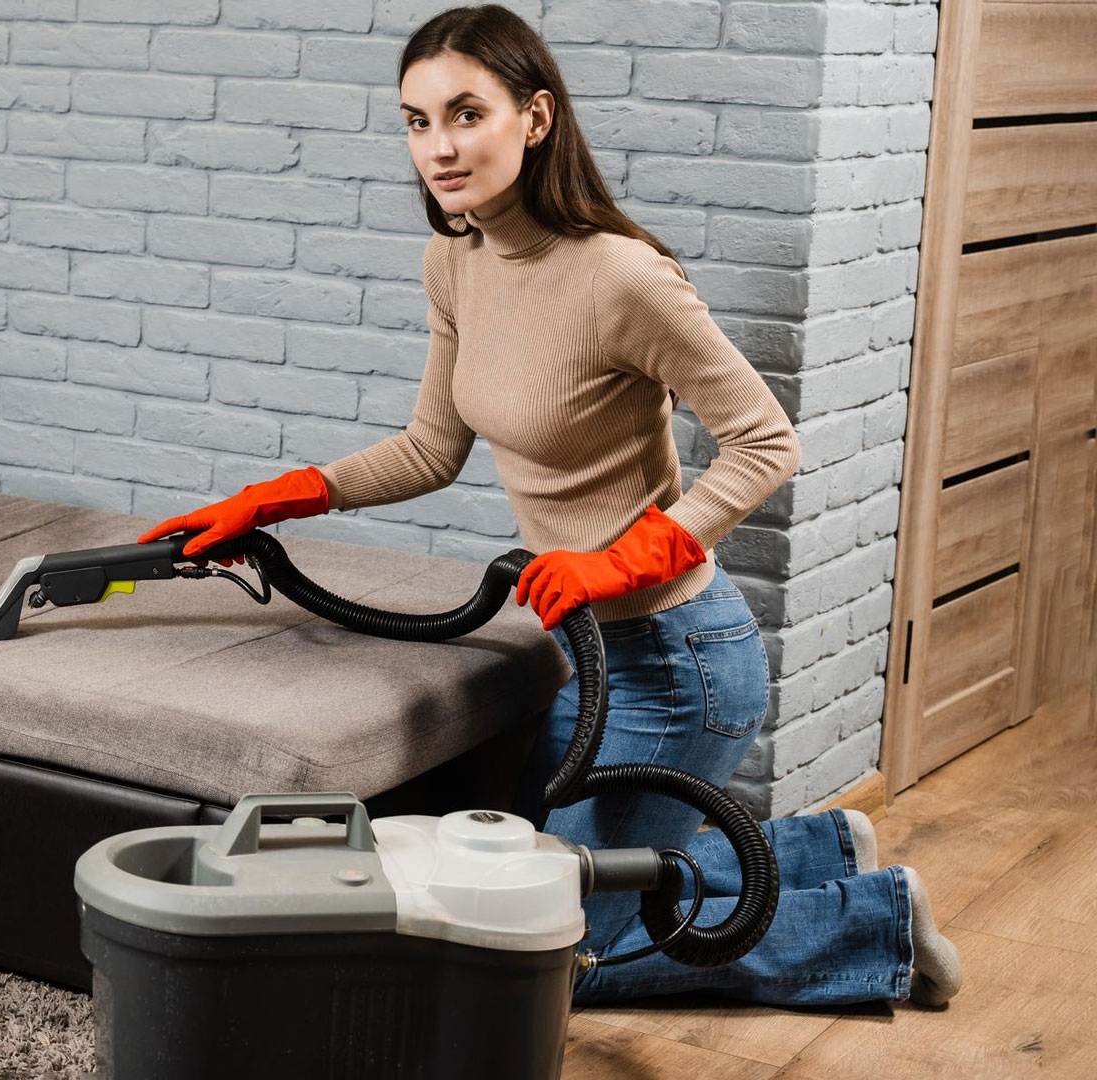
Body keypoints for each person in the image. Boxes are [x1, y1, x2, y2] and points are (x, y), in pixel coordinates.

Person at [136, 5, 963, 1008]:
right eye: (416, 122)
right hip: (590, 654)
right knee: (526, 885)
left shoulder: (620, 277)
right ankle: (814, 852)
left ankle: (876, 922)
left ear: (535, 118)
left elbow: (765, 440)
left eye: (466, 114)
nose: (439, 148)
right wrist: (278, 499)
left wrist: (624, 560)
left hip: (679, 662)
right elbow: (431, 447)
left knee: (540, 955)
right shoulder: (456, 260)